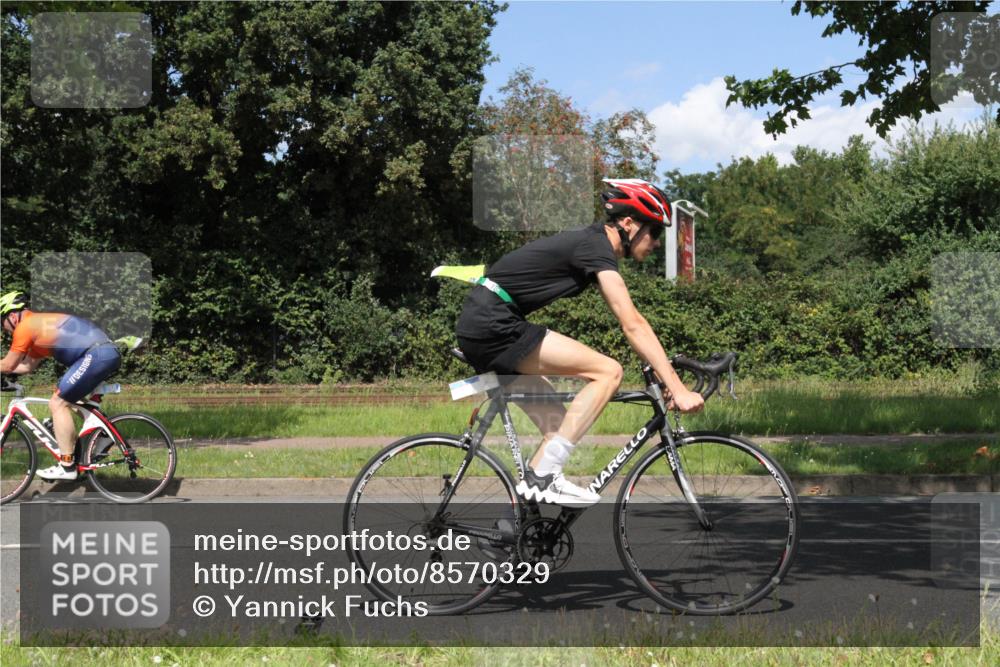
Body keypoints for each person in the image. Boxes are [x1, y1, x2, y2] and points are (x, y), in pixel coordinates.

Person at [455, 178, 705, 507]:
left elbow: (631, 325)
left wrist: (667, 379)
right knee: (608, 372)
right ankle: (545, 477)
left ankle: (517, 530)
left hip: (487, 323)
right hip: (493, 324)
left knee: (558, 427)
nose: (657, 243)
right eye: (655, 232)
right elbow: (632, 323)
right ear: (628, 224)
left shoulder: (593, 246)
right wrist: (678, 386)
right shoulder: (596, 246)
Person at [0, 291, 121, 480]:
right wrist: (6, 379)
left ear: (13, 317)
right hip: (102, 352)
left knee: (57, 403)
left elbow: (7, 364)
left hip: (95, 354)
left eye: (2, 324)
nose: (4, 330)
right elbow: (25, 366)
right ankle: (103, 433)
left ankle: (67, 466)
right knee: (68, 398)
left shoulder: (25, 327)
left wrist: (5, 371)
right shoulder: (38, 326)